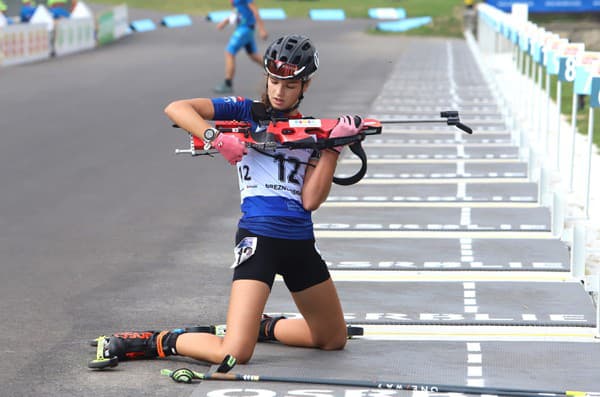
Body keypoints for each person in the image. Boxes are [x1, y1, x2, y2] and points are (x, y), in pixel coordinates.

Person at [100, 34, 364, 365]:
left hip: (299, 242)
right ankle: (160, 342)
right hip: (260, 239)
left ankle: (265, 328)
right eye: (274, 81)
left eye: (290, 85)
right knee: (234, 353)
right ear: (266, 77)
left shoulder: (311, 131)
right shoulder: (245, 112)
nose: (279, 91)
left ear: (305, 86)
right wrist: (215, 136)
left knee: (332, 339)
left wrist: (332, 150)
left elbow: (310, 201)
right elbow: (177, 108)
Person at [213, 0, 268, 94]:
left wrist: (262, 29)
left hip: (245, 29)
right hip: (243, 28)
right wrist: (224, 22)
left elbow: (255, 11)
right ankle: (274, 70)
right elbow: (237, 11)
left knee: (229, 52)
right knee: (253, 55)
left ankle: (228, 83)